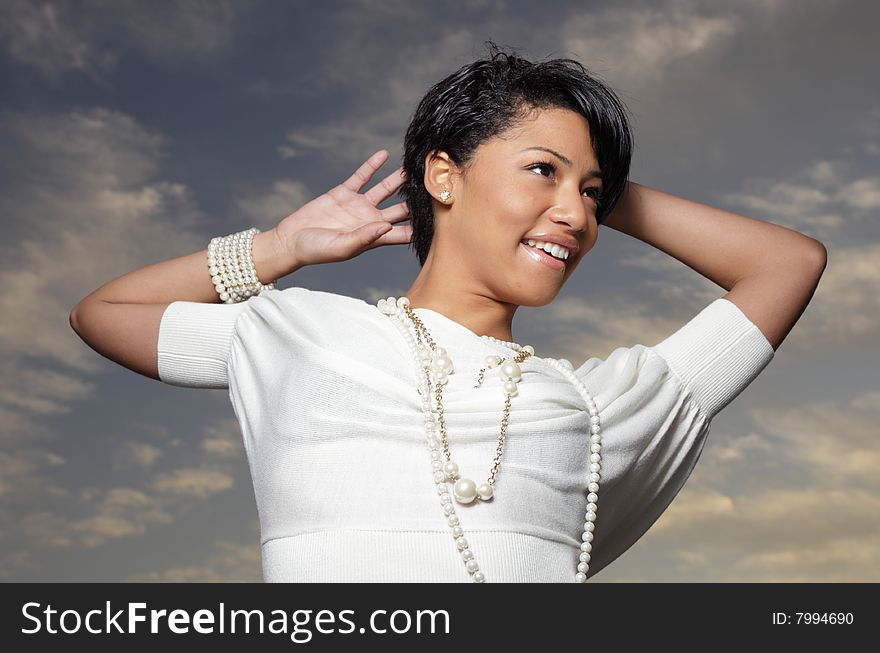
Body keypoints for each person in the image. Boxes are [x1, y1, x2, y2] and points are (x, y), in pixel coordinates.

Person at [69, 44, 827, 582]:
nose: (577, 215)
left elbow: (787, 263)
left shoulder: (597, 410)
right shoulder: (299, 334)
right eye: (540, 170)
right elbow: (104, 311)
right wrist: (278, 248)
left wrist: (594, 185)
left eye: (592, 195)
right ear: (443, 174)